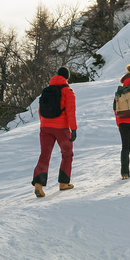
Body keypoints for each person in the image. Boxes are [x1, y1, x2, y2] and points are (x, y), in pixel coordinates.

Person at [33, 67, 77, 197]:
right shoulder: (68, 91)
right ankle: (64, 183)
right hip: (61, 128)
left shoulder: (46, 91)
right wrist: (73, 129)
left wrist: (44, 124)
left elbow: (40, 111)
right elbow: (70, 112)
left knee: (44, 155)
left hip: (45, 127)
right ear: (67, 77)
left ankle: (38, 184)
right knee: (67, 154)